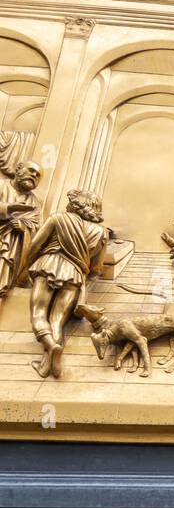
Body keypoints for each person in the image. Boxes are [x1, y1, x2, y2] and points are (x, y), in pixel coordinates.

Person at [19, 189, 113, 379]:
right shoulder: (101, 232)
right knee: (57, 321)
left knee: (38, 315)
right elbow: (96, 267)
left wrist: (27, 270)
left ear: (76, 204)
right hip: (75, 276)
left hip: (48, 266)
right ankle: (48, 366)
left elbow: (34, 246)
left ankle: (52, 346)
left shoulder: (57, 218)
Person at [0, 160, 41, 296]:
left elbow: (36, 227)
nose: (34, 175)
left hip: (11, 247)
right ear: (18, 169)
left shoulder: (34, 201)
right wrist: (10, 208)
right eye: (31, 170)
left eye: (38, 175)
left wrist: (23, 227)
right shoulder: (1, 185)